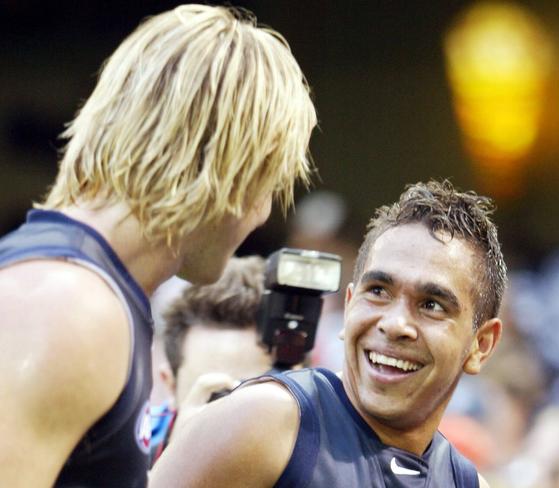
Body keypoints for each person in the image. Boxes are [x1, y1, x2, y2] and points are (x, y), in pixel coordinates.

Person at [0, 5, 316, 487]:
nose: (264, 213)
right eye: (271, 185)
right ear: (234, 172)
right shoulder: (68, 305)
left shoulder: (87, 293)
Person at [150, 179, 507, 488]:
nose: (394, 324)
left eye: (431, 305)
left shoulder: (466, 482)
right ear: (349, 304)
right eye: (379, 291)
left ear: (482, 345)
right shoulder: (265, 421)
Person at [150, 256, 272, 463]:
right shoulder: (122, 453)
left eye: (251, 393)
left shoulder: (328, 462)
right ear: (170, 385)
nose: (229, 418)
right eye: (214, 396)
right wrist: (177, 463)